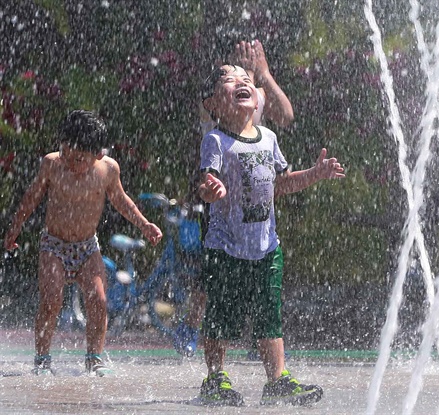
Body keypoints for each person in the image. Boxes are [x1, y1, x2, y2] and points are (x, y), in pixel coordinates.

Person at [196, 64, 344, 406]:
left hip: (266, 246)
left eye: (245, 79)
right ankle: (216, 377)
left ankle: (277, 380)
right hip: (226, 248)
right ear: (214, 104)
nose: (241, 82)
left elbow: (282, 182)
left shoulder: (269, 137)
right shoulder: (216, 140)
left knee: (269, 315)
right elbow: (205, 183)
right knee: (221, 314)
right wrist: (211, 190)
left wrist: (315, 174)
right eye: (229, 81)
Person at [3, 110, 163, 375]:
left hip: (87, 247)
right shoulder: (52, 164)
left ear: (97, 154)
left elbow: (122, 201)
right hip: (53, 245)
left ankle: (94, 359)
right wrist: (15, 227)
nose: (70, 161)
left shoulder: (108, 170)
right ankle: (42, 359)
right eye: (65, 152)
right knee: (51, 299)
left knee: (98, 300)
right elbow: (32, 197)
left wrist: (144, 224)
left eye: (78, 158)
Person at [174, 39, 294, 358]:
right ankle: (193, 328)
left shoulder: (256, 96)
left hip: (257, 192)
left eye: (247, 69)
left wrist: (264, 75)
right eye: (235, 71)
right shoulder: (218, 105)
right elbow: (213, 103)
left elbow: (286, 115)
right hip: (220, 187)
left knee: (261, 270)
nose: (242, 76)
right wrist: (238, 77)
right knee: (216, 272)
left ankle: (264, 342)